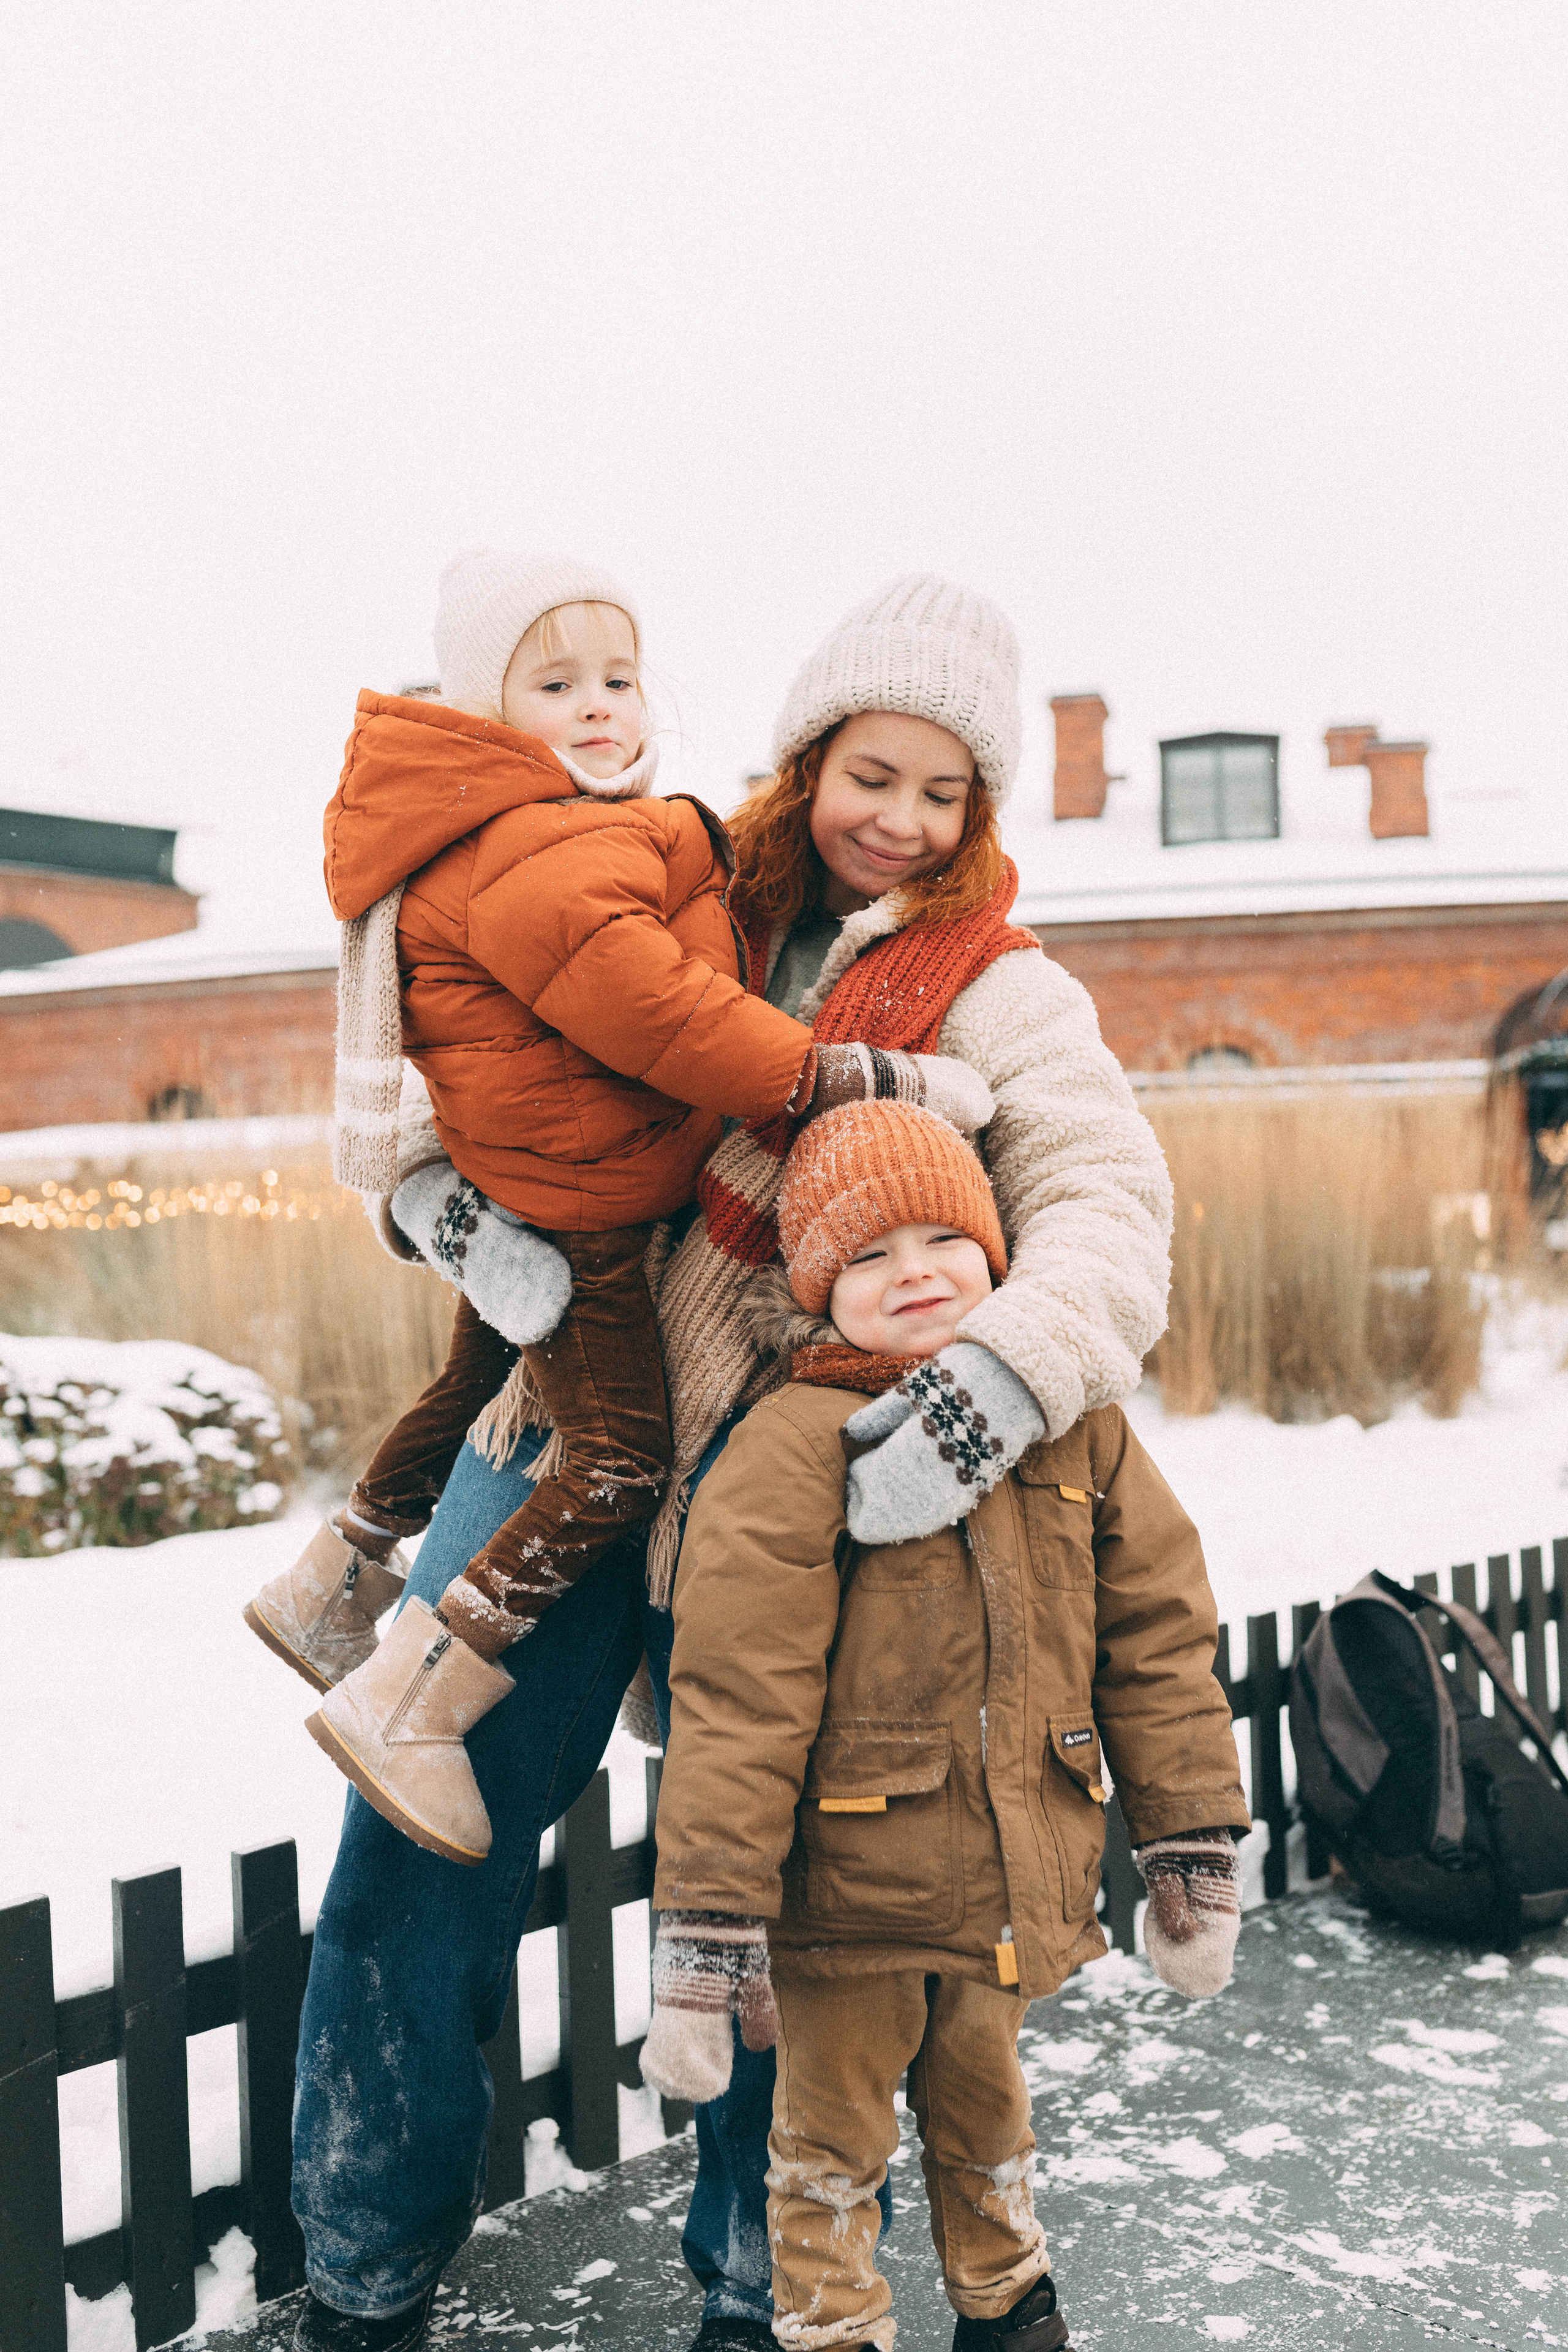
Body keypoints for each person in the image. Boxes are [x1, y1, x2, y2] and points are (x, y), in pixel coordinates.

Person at [288, 573, 1176, 2352]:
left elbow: (1110, 1207)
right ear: (809, 754)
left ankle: (754, 2288)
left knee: (788, 1912)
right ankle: (362, 2259)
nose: (896, 820)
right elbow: (432, 1034)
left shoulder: (998, 990)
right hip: (565, 1444)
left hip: (825, 1507)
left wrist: (986, 1390)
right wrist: (435, 1205)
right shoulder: (654, 868)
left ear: (981, 813)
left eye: (944, 793)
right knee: (418, 1854)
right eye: (872, 772)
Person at [246, 546, 984, 1872]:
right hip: (586, 1218)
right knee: (613, 1459)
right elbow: (668, 1019)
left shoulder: (582, 832)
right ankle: (409, 1692)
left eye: (620, 678)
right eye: (555, 682)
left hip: (582, 1215)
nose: (599, 706)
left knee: (469, 1373)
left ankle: (334, 1585)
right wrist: (851, 1077)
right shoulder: (544, 849)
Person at [641, 1099, 1251, 2352]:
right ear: (815, 1288)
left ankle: (1006, 2301)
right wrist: (708, 1927)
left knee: (988, 2109)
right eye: (865, 1254)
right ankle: (830, 2326)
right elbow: (737, 1697)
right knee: (829, 2138)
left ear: (995, 1252)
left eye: (941, 1238)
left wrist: (1186, 1841)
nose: (912, 1271)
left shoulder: (1074, 1420)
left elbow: (1156, 1642)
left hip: (1011, 1879)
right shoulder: (792, 1443)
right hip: (845, 1899)